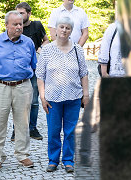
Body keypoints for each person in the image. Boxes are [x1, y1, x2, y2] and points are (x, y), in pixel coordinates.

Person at [0, 11, 37, 171]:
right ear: (6, 25)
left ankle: (23, 155)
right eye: (15, 24)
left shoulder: (28, 43)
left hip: (23, 86)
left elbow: (33, 65)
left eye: (20, 24)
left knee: (23, 122)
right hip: (0, 87)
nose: (19, 27)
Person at [36, 16, 89, 173]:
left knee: (70, 131)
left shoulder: (77, 50)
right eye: (62, 27)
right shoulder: (47, 50)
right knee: (53, 130)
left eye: (68, 28)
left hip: (73, 96)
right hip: (53, 98)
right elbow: (40, 75)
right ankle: (53, 160)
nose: (64, 30)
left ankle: (68, 160)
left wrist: (86, 95)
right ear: (56, 29)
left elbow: (84, 73)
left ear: (71, 31)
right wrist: (42, 96)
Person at [11, 2, 50, 141]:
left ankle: (32, 128)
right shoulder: (15, 26)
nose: (19, 16)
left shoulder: (37, 25)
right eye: (17, 13)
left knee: (34, 101)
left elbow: (46, 40)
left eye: (21, 13)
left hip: (35, 69)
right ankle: (16, 130)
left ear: (29, 13)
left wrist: (40, 48)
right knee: (17, 101)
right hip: (19, 69)